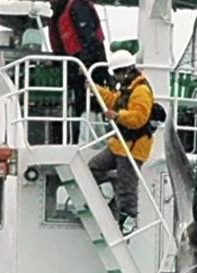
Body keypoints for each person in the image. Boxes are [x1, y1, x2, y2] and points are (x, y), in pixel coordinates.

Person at [90, 50, 153, 235]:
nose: (116, 77)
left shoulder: (141, 91)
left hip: (133, 147)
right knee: (93, 167)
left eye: (118, 72)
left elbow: (139, 118)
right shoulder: (128, 89)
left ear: (127, 70)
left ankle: (127, 224)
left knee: (127, 189)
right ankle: (114, 190)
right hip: (121, 144)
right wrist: (96, 90)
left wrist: (117, 116)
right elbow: (115, 101)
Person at [49, 0, 107, 143]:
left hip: (89, 63)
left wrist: (86, 64)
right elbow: (62, 48)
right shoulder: (60, 13)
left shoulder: (77, 7)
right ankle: (96, 138)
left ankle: (89, 140)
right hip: (78, 64)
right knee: (86, 103)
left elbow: (89, 37)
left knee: (90, 102)